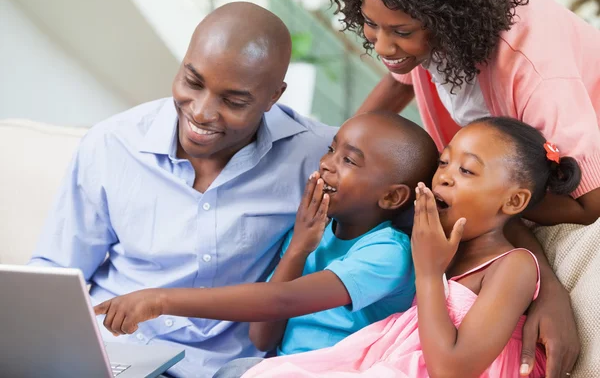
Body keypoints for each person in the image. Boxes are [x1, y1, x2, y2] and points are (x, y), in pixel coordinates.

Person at [28, 2, 337, 378]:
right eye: (193, 82)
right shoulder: (112, 144)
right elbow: (58, 270)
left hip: (232, 367)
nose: (203, 113)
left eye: (234, 101)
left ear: (275, 96)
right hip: (118, 355)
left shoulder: (317, 157)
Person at [331, 0, 600, 375]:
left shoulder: (533, 68)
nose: (382, 46)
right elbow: (396, 80)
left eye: (401, 32)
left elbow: (587, 205)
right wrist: (342, 152)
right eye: (372, 25)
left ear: (448, 17)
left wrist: (549, 288)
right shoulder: (424, 20)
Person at [92, 111, 440, 378]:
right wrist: (298, 248)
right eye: (332, 150)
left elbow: (280, 300)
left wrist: (160, 300)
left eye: (348, 160)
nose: (326, 164)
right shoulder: (312, 231)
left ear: (393, 196)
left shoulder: (389, 253)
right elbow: (262, 338)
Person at [240, 116, 583, 378]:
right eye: (444, 163)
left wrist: (430, 273)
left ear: (514, 201)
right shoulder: (432, 245)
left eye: (467, 170)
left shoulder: (513, 267)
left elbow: (452, 370)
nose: (444, 177)